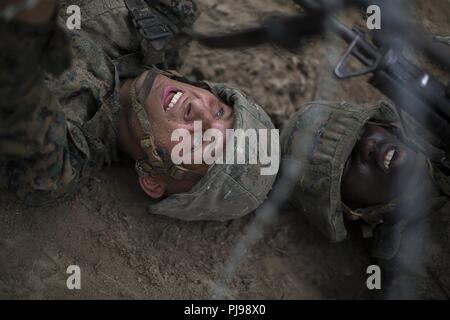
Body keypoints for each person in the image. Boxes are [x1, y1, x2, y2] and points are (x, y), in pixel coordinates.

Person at [0, 0, 277, 221]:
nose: (199, 111)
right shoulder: (169, 19)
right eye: (219, 111)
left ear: (154, 180)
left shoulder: (59, 159)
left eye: (200, 141)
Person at [281, 100, 450, 299]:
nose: (366, 145)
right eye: (347, 164)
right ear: (352, 209)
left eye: (361, 131)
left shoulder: (440, 121)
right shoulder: (411, 277)